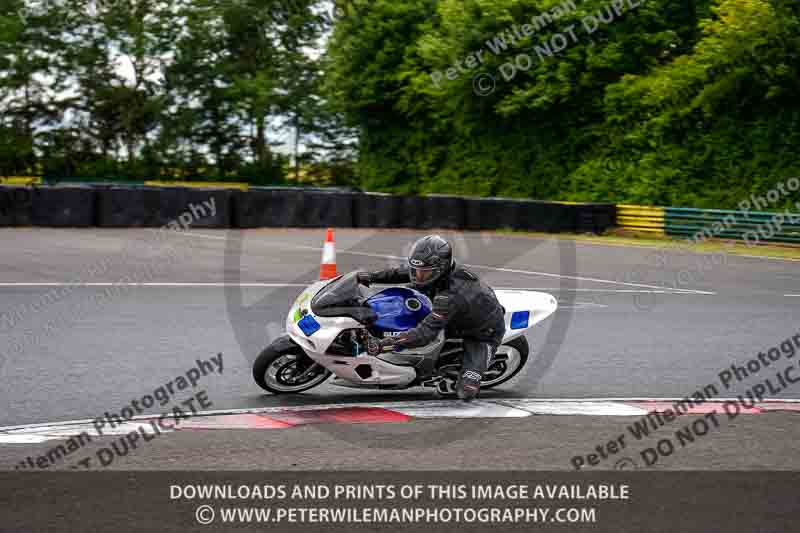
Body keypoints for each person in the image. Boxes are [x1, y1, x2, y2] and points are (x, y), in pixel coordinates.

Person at [356, 235, 506, 401]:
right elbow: (401, 272)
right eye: (416, 270)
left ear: (440, 268)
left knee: (466, 392)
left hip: (483, 332)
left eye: (424, 273)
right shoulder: (433, 271)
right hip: (458, 313)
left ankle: (465, 373)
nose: (418, 276)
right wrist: (371, 276)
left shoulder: (449, 296)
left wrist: (384, 345)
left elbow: (425, 334)